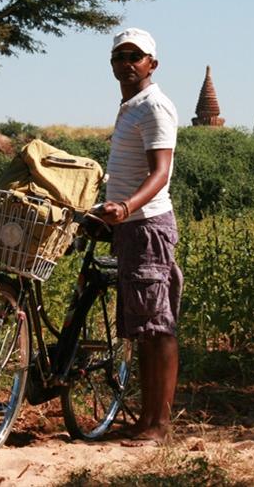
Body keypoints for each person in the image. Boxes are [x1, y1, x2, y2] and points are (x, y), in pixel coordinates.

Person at [96, 28, 183, 442]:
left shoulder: (153, 107)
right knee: (143, 331)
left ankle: (160, 425)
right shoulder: (130, 106)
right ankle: (147, 420)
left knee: (157, 326)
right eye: (119, 56)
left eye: (135, 56)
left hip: (146, 224)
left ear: (153, 63)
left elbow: (160, 173)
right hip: (129, 226)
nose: (126, 63)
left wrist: (127, 206)